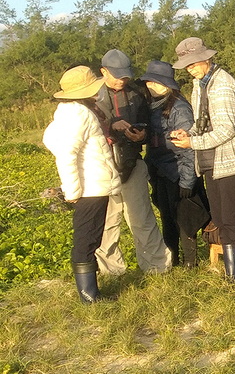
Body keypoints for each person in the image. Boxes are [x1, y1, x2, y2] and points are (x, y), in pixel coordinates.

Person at [170, 37, 235, 282]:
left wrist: (192, 143)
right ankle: (233, 274)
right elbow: (203, 124)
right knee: (220, 219)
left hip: (230, 162)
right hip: (212, 162)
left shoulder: (222, 85)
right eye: (186, 65)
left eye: (193, 63)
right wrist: (188, 134)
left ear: (207, 58)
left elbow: (226, 130)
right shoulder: (200, 84)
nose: (190, 68)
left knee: (233, 220)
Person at [43, 66, 122, 303]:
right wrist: (73, 191)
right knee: (86, 239)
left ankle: (91, 293)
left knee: (90, 237)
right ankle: (89, 297)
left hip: (93, 184)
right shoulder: (78, 114)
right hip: (90, 187)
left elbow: (49, 138)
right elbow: (66, 153)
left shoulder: (69, 111)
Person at [94, 49, 173, 274]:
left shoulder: (137, 93)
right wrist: (112, 126)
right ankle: (112, 271)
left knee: (142, 219)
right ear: (103, 71)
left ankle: (157, 266)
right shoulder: (92, 96)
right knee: (108, 223)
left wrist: (142, 136)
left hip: (132, 164)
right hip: (103, 167)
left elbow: (148, 124)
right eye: (117, 75)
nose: (122, 80)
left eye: (125, 75)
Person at [141, 60, 205, 268]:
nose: (149, 86)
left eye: (154, 82)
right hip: (160, 171)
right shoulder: (153, 106)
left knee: (185, 220)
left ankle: (190, 263)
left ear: (166, 84)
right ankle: (173, 261)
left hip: (177, 172)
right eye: (148, 82)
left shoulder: (179, 108)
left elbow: (188, 147)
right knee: (167, 219)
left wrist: (187, 182)